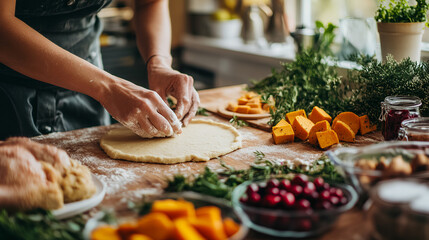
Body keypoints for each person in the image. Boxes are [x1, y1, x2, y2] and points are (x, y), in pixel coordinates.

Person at [0, 0, 200, 140]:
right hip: (9, 91)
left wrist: (160, 63)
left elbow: (150, 2)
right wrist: (108, 87)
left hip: (89, 85)